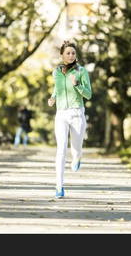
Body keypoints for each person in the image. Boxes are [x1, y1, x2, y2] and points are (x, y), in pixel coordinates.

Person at [48, 40, 92, 198]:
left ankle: (77, 158)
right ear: (62, 55)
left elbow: (88, 94)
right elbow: (57, 88)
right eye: (68, 53)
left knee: (76, 148)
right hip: (61, 114)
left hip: (77, 114)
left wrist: (78, 85)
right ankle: (59, 186)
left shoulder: (81, 71)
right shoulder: (56, 72)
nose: (71, 55)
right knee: (61, 149)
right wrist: (53, 98)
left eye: (73, 53)